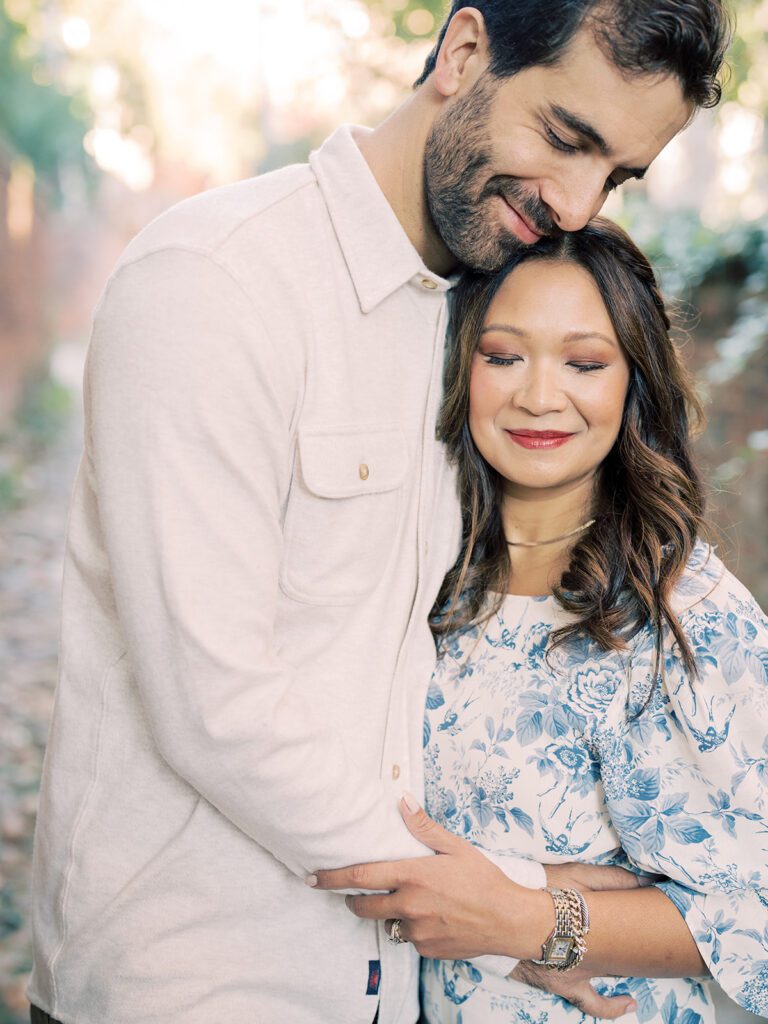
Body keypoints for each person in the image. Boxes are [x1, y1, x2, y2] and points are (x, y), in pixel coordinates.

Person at [28, 3, 730, 1024]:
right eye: (567, 139)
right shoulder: (217, 282)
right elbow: (216, 701)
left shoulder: (489, 322)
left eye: (616, 175)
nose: (579, 205)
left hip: (394, 987)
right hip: (196, 984)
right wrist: (513, 906)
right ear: (463, 53)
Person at [313, 219, 768, 1021]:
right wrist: (535, 885)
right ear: (461, 368)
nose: (538, 395)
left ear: (635, 382)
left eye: (584, 362)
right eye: (502, 355)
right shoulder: (424, 580)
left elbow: (755, 910)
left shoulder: (684, 613)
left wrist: (534, 919)